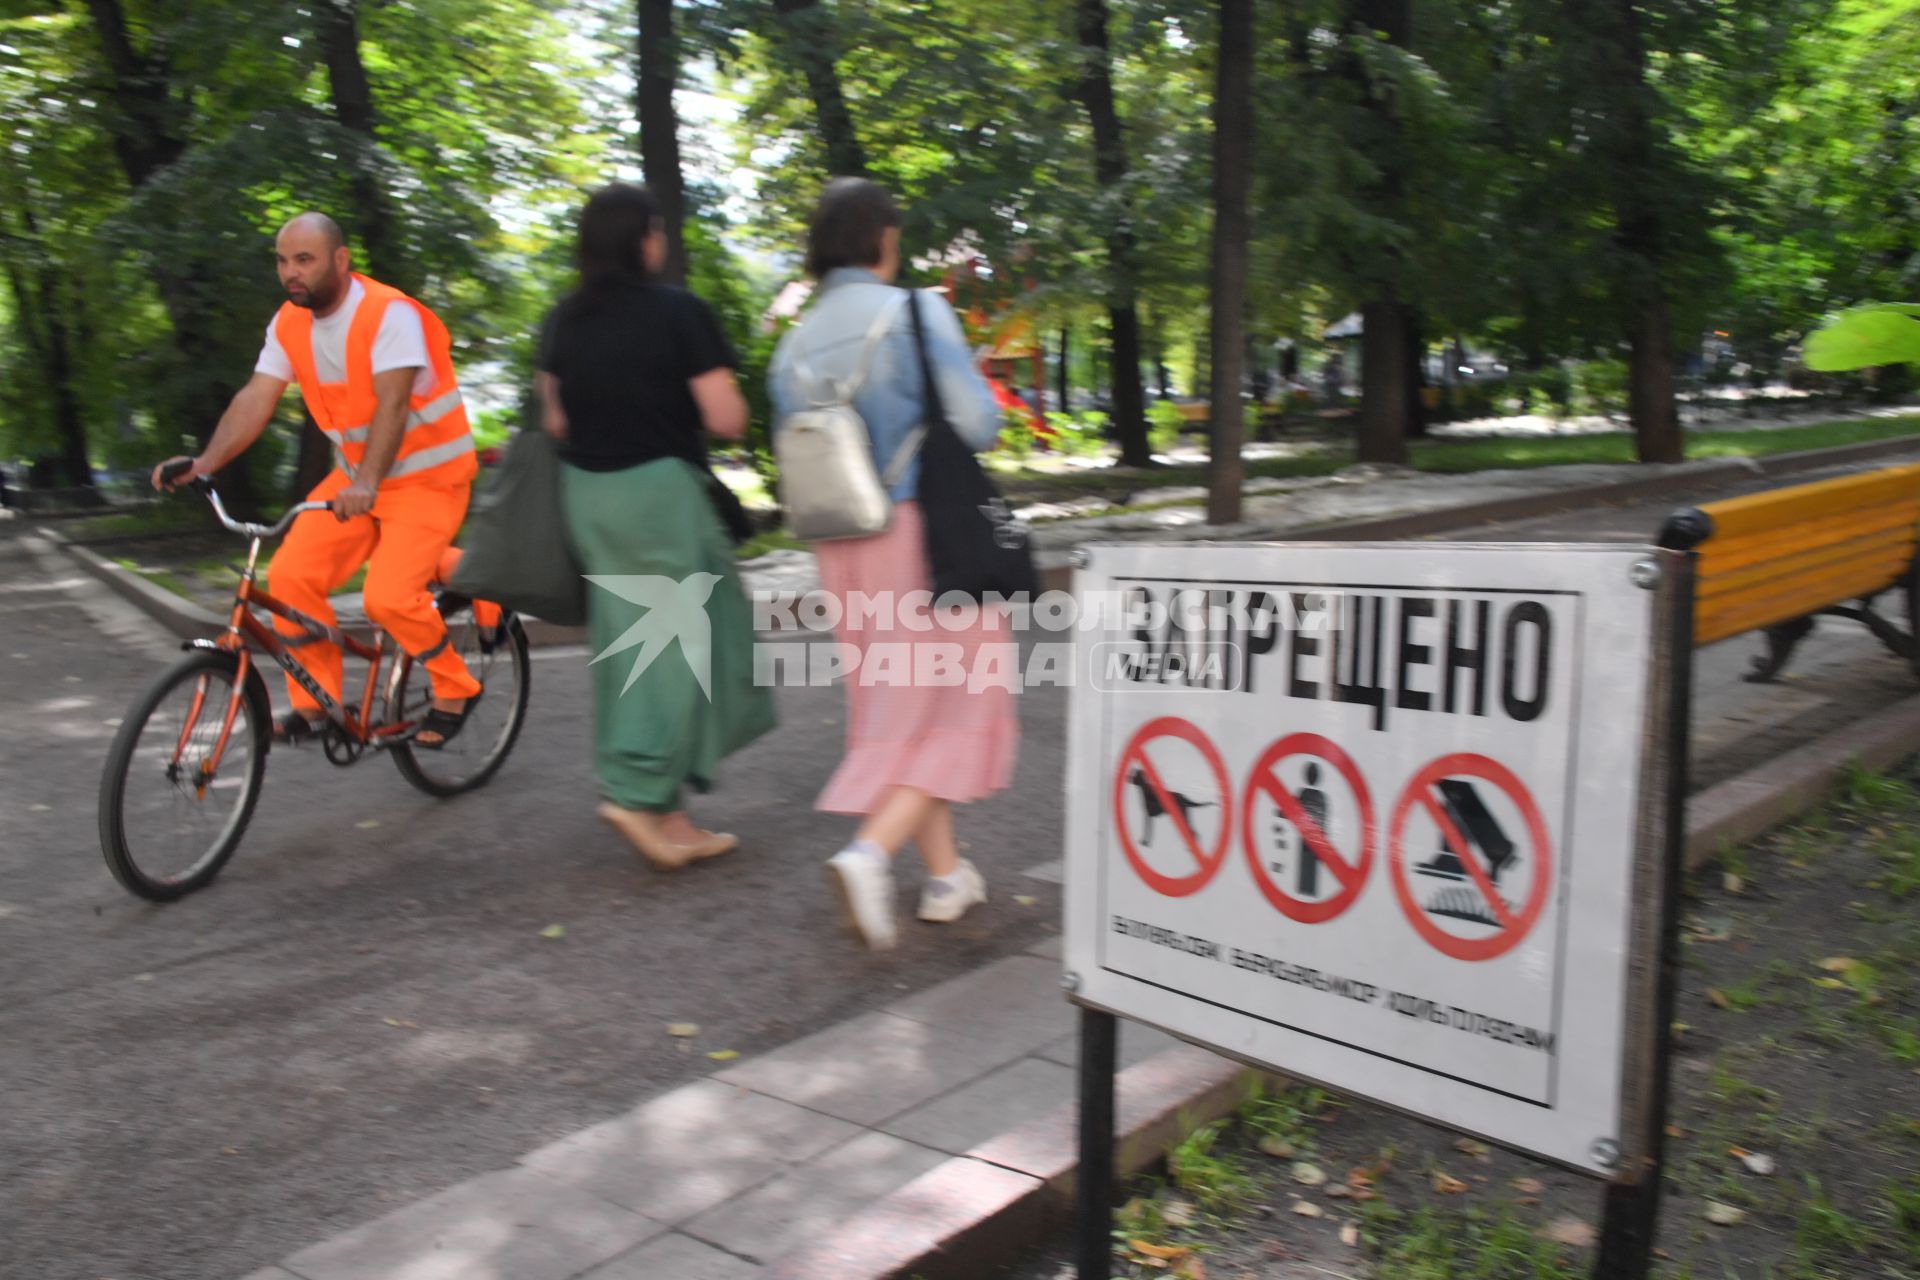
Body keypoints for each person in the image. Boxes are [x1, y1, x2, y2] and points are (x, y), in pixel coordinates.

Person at [768, 177, 1018, 950]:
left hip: (842, 546)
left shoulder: (792, 341)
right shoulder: (916, 311)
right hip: (925, 538)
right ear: (881, 236)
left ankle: (946, 879)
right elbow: (977, 424)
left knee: (900, 709)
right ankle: (870, 854)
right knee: (965, 703)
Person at [152, 212, 480, 749]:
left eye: (304, 259)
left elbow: (393, 404)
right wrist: (205, 462)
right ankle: (318, 705)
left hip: (427, 480)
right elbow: (257, 396)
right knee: (290, 578)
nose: (291, 273)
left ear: (340, 260)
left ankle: (454, 685)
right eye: (282, 261)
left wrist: (369, 481)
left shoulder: (387, 314)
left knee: (388, 599)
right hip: (356, 481)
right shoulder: (289, 324)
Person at [536, 183, 775, 871]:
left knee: (630, 640)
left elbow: (556, 421)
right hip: (659, 494)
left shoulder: (563, 320)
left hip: (588, 494)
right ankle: (637, 794)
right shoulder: (679, 312)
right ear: (643, 237)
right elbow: (726, 417)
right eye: (658, 230)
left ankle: (667, 811)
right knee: (683, 643)